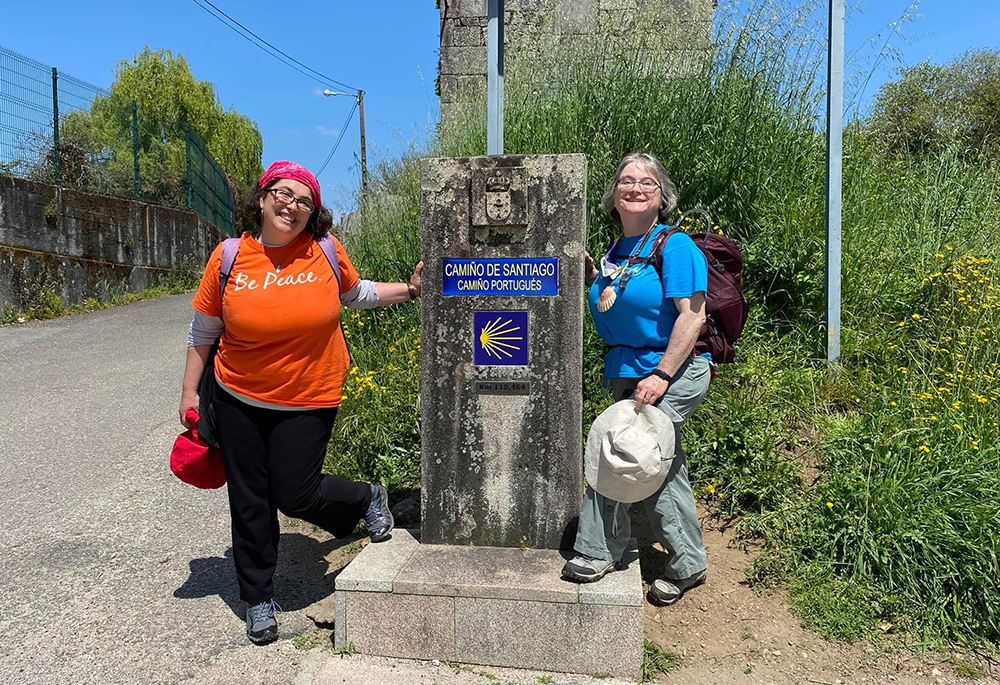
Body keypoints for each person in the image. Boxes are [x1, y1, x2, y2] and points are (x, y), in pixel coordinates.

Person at [178, 160, 423, 644]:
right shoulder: (229, 257)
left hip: (310, 394)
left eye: (305, 201)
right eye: (284, 194)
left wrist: (412, 290)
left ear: (314, 213)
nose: (292, 205)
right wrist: (189, 390)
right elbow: (203, 330)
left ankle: (365, 496)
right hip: (237, 395)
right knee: (249, 499)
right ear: (263, 197)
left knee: (295, 493)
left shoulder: (325, 250)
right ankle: (258, 597)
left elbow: (357, 294)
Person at [562, 152, 713, 607]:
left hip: (674, 369)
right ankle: (688, 562)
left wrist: (662, 375)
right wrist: (593, 278)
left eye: (647, 182)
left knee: (627, 450)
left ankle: (597, 549)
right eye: (626, 181)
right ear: (614, 195)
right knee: (661, 464)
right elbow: (617, 301)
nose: (635, 188)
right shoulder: (613, 253)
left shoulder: (676, 245)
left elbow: (693, 317)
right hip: (625, 373)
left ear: (661, 195)